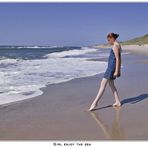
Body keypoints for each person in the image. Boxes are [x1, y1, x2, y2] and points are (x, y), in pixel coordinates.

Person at [89, 33, 122, 111]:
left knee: (102, 84)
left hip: (111, 68)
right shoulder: (118, 45)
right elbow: (119, 58)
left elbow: (118, 59)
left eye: (109, 40)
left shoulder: (115, 46)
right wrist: (118, 70)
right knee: (111, 84)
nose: (108, 42)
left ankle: (95, 103)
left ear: (112, 38)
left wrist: (117, 71)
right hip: (111, 67)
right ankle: (117, 101)